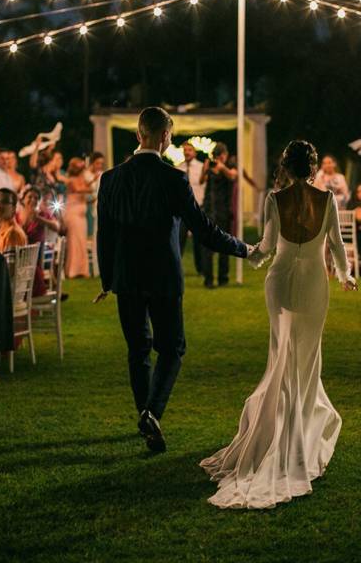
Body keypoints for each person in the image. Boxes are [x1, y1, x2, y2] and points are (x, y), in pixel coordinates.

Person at [200, 140, 356, 509]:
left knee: (281, 354)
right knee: (305, 356)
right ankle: (296, 429)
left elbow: (268, 246)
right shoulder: (327, 199)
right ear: (314, 167)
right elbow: (336, 244)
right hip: (316, 282)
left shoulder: (275, 199)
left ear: (286, 167)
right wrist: (346, 275)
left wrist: (248, 254)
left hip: (281, 280)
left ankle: (284, 430)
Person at [96, 107, 249, 453]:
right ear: (166, 136)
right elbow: (204, 230)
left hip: (126, 277)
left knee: (138, 350)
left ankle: (145, 417)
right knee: (172, 347)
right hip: (163, 276)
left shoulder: (110, 178)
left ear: (139, 135)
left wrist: (108, 280)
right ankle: (151, 412)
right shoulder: (173, 178)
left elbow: (105, 236)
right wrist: (243, 249)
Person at [201, 142, 238, 288]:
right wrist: (205, 170)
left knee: (224, 245)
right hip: (210, 209)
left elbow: (233, 176)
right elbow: (201, 181)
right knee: (207, 246)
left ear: (225, 155)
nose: (219, 158)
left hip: (223, 211)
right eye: (217, 155)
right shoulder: (210, 166)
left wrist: (221, 168)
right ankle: (208, 279)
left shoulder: (230, 165)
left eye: (220, 155)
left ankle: (223, 278)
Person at [18, 186, 61, 296]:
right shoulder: (17, 215)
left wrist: (39, 219)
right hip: (20, 252)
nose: (33, 200)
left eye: (36, 198)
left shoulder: (41, 214)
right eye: (30, 197)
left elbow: (56, 226)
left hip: (36, 255)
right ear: (23, 199)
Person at [176, 142, 206, 274]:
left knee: (199, 242)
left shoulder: (201, 167)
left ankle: (201, 269)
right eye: (185, 150)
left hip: (198, 208)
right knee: (179, 240)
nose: (187, 152)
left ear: (194, 152)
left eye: (189, 150)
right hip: (183, 210)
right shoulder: (178, 168)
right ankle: (175, 268)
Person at [63, 157, 92, 278]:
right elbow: (79, 189)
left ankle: (82, 270)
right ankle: (73, 271)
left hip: (81, 215)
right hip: (73, 214)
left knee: (81, 242)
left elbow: (88, 190)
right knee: (74, 242)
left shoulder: (82, 178)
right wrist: (93, 181)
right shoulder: (71, 180)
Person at [0, 189, 27, 254]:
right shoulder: (2, 230)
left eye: (4, 202)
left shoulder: (12, 233)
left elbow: (8, 263)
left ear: (14, 208)